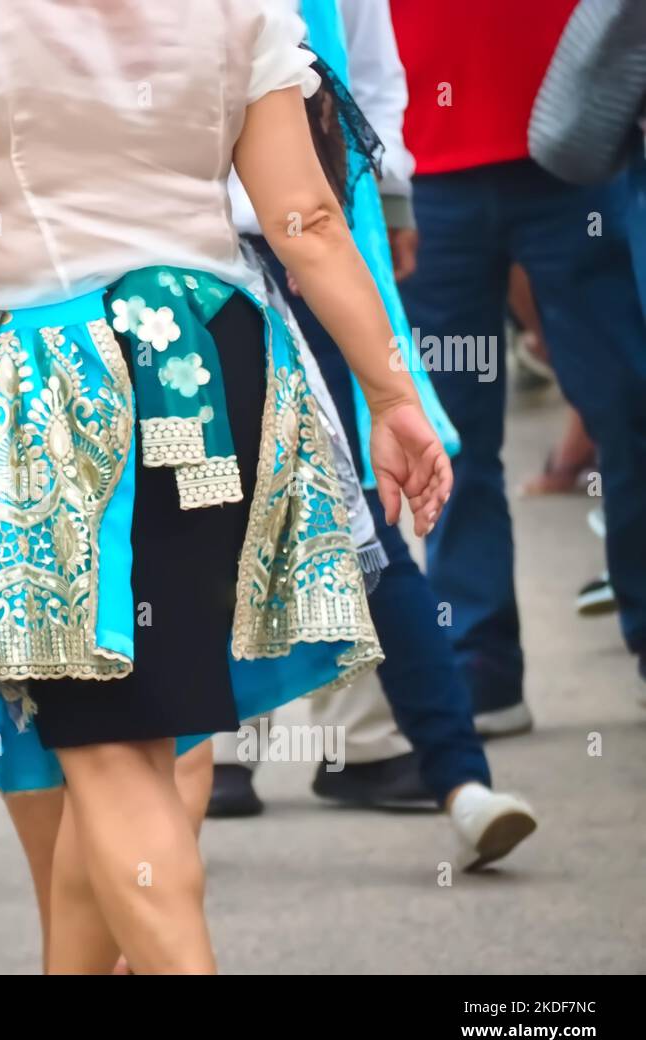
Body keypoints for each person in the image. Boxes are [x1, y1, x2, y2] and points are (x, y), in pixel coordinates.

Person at [0, 0, 451, 974]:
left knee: (102, 748)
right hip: (214, 360)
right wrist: (391, 393)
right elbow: (304, 220)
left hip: (42, 378)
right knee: (152, 731)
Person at [210, 0, 537, 874]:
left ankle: (452, 770)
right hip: (165, 276)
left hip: (293, 250)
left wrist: (385, 203)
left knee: (359, 520)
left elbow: (369, 74)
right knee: (195, 523)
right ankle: (215, 762)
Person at [391, 0, 646, 722]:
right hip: (424, 167)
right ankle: (479, 657)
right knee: (451, 433)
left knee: (628, 405)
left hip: (580, 149)